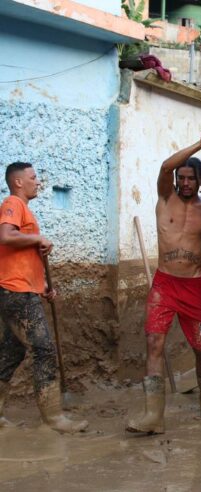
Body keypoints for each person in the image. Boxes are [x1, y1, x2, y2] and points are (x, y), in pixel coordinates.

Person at [127, 128, 201, 435]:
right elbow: (165, 168)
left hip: (195, 287)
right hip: (164, 285)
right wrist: (200, 144)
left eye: (190, 178)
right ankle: (153, 416)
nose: (184, 182)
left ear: (200, 180)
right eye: (181, 177)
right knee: (153, 343)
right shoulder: (165, 198)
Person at [0, 162, 88, 433]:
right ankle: (52, 419)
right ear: (18, 182)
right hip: (16, 291)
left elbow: (22, 257)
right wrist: (37, 238)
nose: (37, 182)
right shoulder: (13, 203)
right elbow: (5, 235)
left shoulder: (25, 210)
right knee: (43, 348)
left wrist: (44, 285)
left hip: (20, 288)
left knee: (11, 353)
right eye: (33, 177)